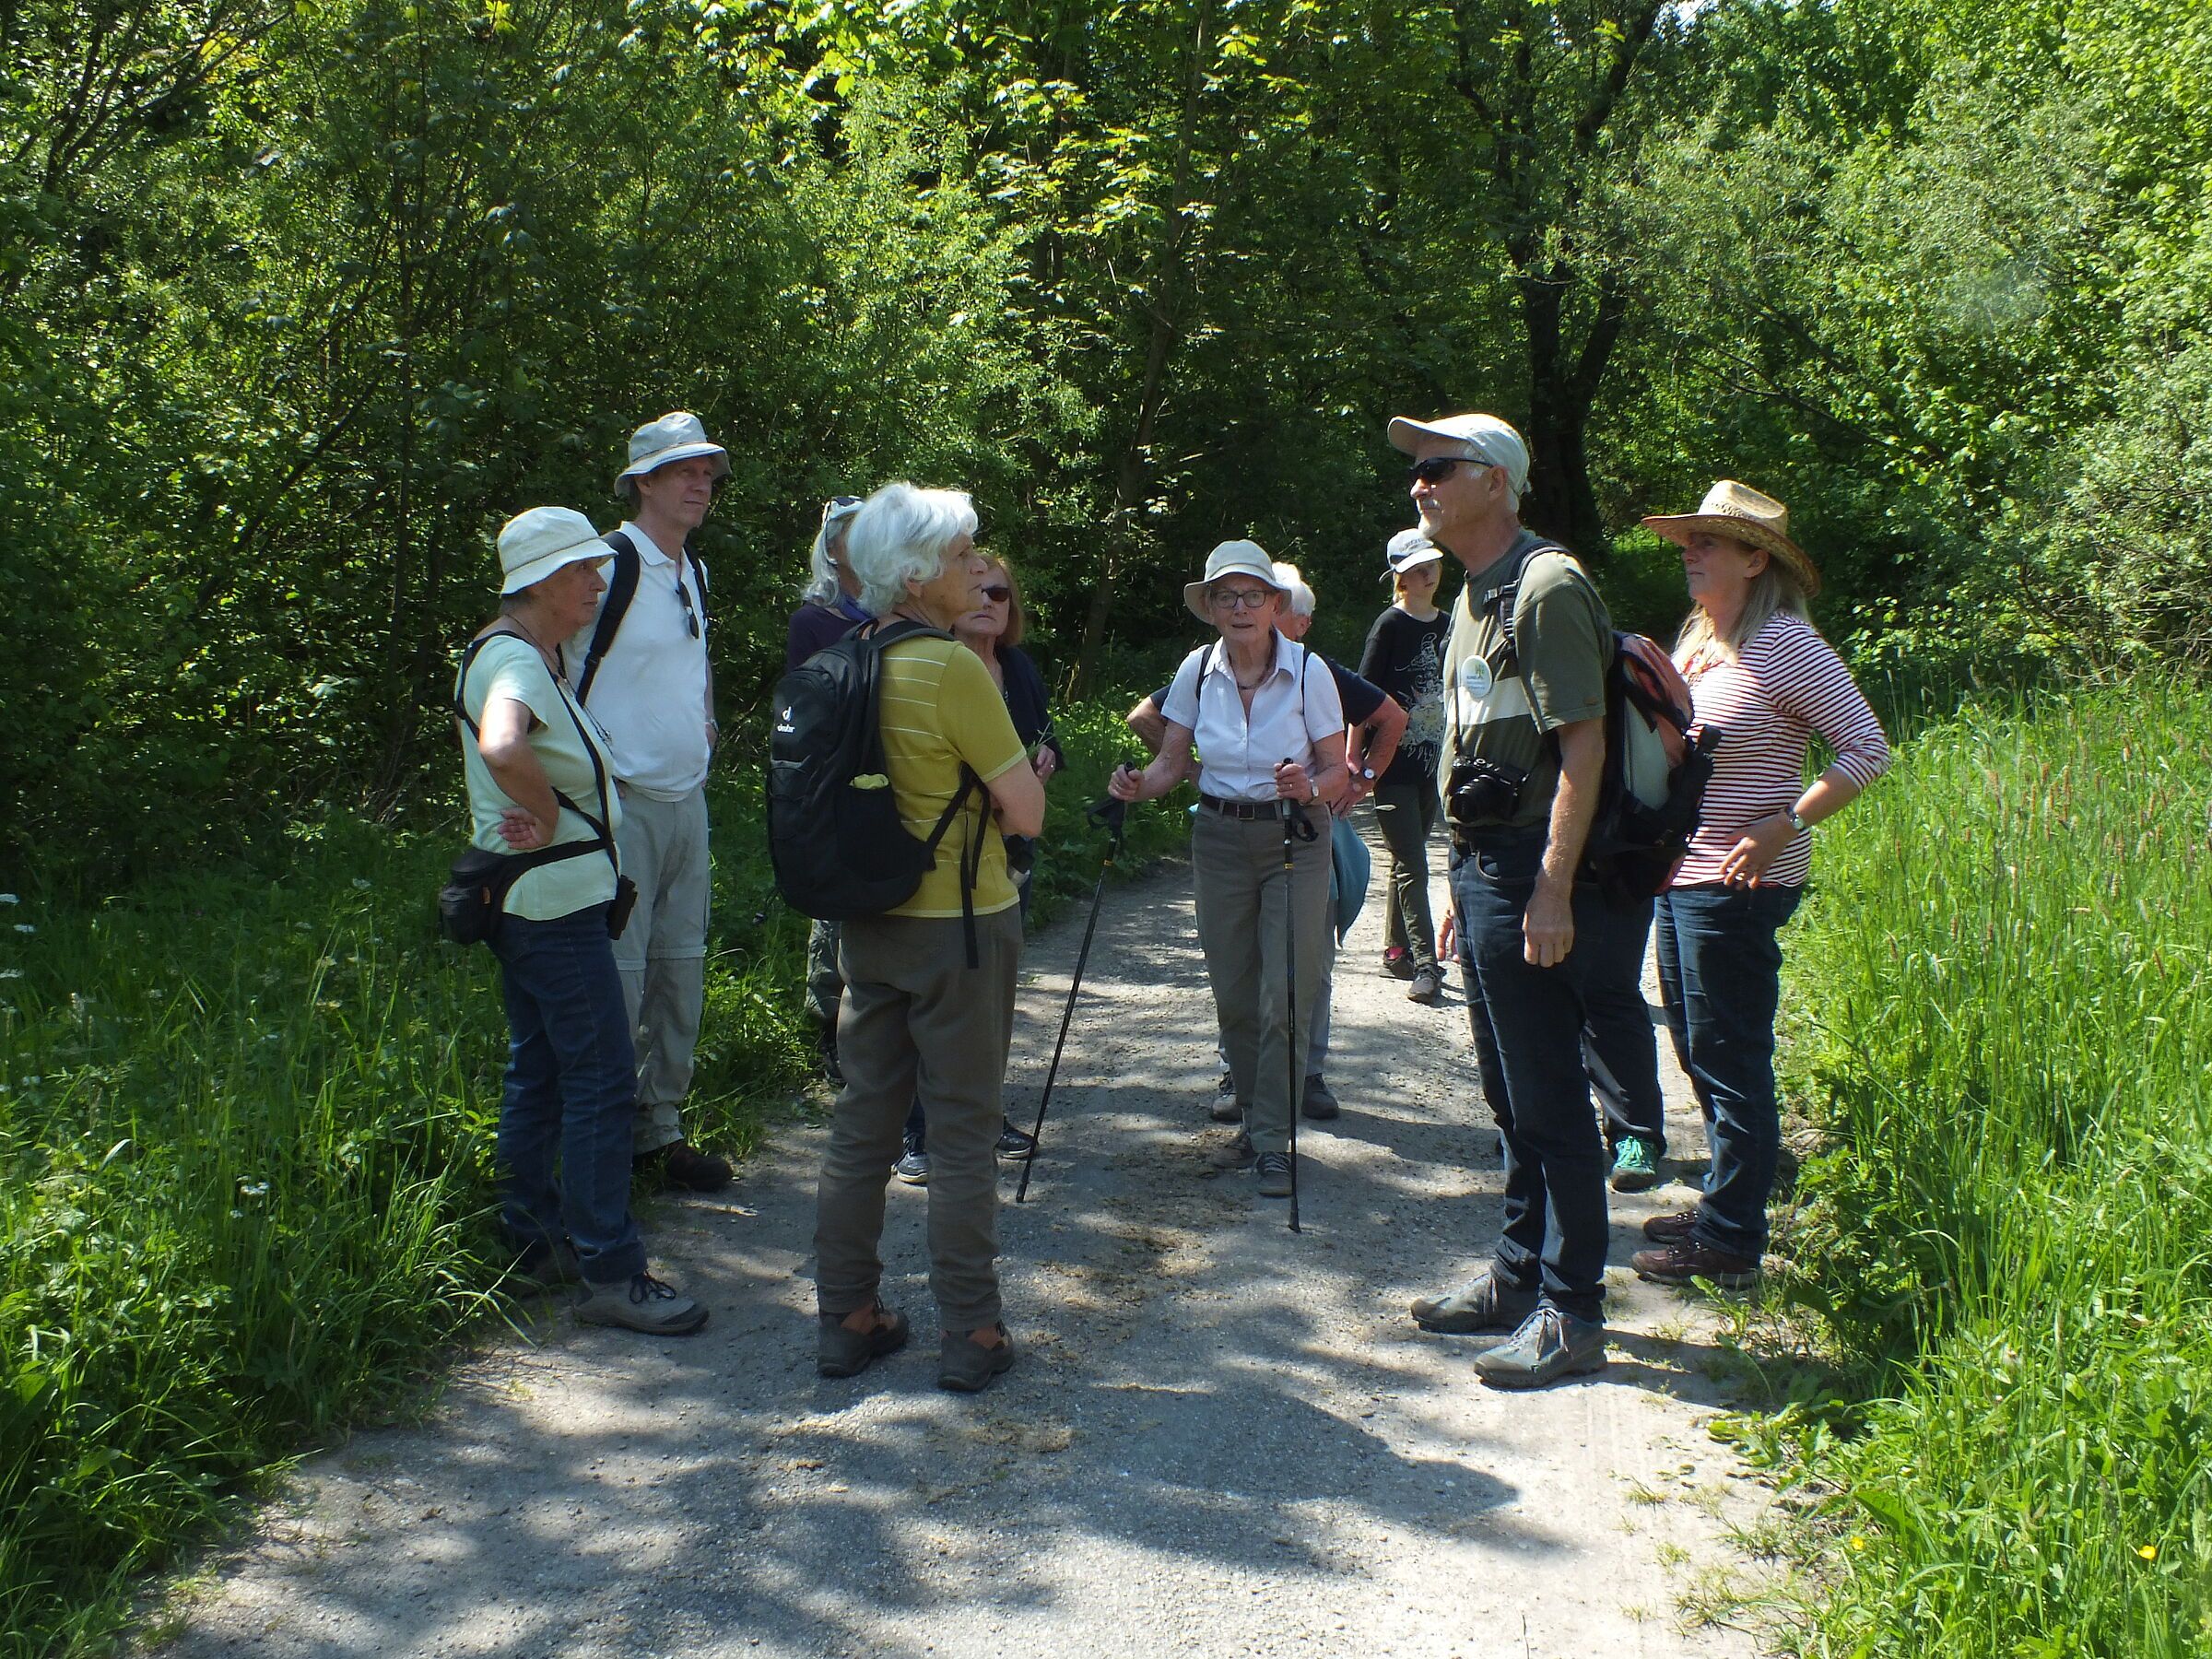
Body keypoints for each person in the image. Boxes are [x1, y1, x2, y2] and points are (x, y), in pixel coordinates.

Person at [1395, 411, 1646, 1389]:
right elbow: (1477, 745)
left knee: (1547, 1100)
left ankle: (1572, 1311)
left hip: (1535, 874)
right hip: (1486, 871)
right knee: (1511, 1096)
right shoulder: (1471, 592)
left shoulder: (1546, 587)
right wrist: (1463, 876)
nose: (1420, 482)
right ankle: (1514, 1279)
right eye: (1416, 470)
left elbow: (1581, 746)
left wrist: (1548, 886)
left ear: (1495, 480)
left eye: (1439, 467)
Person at [811, 483, 1046, 1394]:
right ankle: (972, 1330)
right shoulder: (948, 668)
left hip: (868, 926)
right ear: (915, 572)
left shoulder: (845, 658)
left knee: (863, 1125)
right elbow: (1024, 807)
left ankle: (846, 1317)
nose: (973, 575)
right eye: (958, 558)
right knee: (960, 1134)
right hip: (962, 925)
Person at [1630, 481, 1889, 1288]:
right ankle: (1725, 1198)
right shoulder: (1701, 643)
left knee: (1731, 1054)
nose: (1689, 554)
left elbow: (1866, 749)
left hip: (1741, 880)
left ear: (1755, 558)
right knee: (1696, 1045)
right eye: (1688, 541)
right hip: (1683, 872)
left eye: (1707, 542)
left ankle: (1735, 1240)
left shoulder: (1786, 644)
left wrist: (1786, 823)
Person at [458, 507, 706, 1335]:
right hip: (554, 907)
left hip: (535, 903)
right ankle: (611, 1269)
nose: (599, 584)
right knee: (601, 1078)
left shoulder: (528, 655)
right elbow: (501, 746)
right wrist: (543, 810)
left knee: (543, 1067)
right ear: (539, 583)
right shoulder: (515, 662)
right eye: (583, 573)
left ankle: (532, 1240)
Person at [1108, 542, 1347, 1199]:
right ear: (1210, 607)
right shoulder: (1196, 669)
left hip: (1294, 839)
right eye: (1226, 597)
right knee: (1235, 996)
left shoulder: (1309, 671)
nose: (1240, 608)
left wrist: (1309, 785)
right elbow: (1170, 763)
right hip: (1217, 837)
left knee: (1286, 993)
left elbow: (1337, 770)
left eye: (1253, 596)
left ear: (1276, 605)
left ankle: (1274, 1140)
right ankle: (1252, 1118)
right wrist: (1137, 787)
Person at [564, 412, 730, 1193]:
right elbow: (540, 657)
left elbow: (691, 664)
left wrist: (705, 723)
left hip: (685, 800)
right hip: (618, 803)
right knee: (619, 980)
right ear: (643, 484)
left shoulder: (690, 569)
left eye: (707, 471)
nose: (701, 482)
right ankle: (591, 1160)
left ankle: (656, 1135)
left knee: (679, 971)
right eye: (682, 471)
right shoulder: (604, 564)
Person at [895, 551, 1065, 1184]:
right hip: (940, 864)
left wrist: (1043, 759)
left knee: (992, 999)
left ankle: (984, 1117)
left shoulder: (1017, 670)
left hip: (1008, 858)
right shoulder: (933, 665)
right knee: (931, 1007)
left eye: (1002, 592)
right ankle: (919, 1132)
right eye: (980, 588)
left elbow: (1046, 741)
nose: (991, 601)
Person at [1270, 562, 1406, 1121]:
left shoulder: (1316, 671)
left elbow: (1391, 717)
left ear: (1297, 623)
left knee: (1314, 956)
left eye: (1279, 611)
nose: (1263, 620)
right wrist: (1196, 773)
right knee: (1249, 960)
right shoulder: (1214, 668)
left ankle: (1309, 1072)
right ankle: (1243, 1071)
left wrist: (1360, 781)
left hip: (1309, 831)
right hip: (1236, 833)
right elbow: (1151, 716)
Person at [785, 494, 869, 1086]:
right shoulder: (816, 620)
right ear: (831, 547)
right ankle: (828, 1032)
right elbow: (805, 704)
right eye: (852, 533)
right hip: (834, 782)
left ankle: (875, 1035)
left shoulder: (902, 608)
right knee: (834, 914)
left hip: (892, 779)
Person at [1359, 528, 1452, 1004]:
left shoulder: (1450, 625)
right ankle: (1427, 965)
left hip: (1433, 767)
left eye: (1431, 563)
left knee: (1405, 862)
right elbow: (1360, 698)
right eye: (1416, 568)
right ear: (1399, 577)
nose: (1427, 572)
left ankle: (1396, 951)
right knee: (1416, 864)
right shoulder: (1389, 627)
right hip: (1391, 766)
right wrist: (1356, 765)